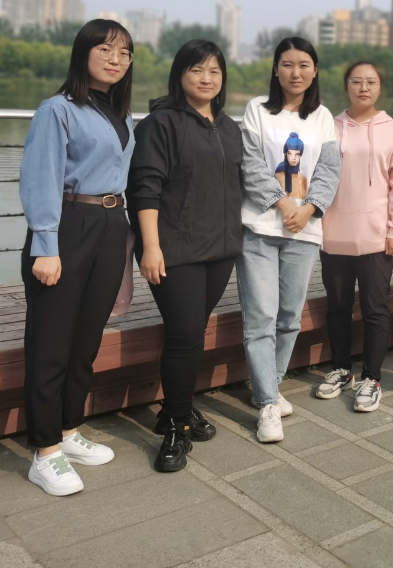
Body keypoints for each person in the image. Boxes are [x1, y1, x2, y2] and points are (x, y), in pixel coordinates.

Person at [19, 19, 136, 496]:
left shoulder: (120, 114)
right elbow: (40, 177)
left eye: (124, 53)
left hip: (111, 224)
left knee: (86, 339)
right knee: (51, 343)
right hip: (68, 224)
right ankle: (45, 451)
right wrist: (46, 244)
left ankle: (69, 430)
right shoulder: (58, 109)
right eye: (105, 49)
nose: (115, 59)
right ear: (83, 53)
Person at [128, 39, 243, 471]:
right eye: (197, 70)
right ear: (180, 75)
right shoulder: (161, 124)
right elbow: (145, 187)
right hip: (175, 249)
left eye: (214, 71)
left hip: (220, 249)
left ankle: (173, 410)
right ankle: (177, 427)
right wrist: (151, 246)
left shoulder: (228, 127)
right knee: (184, 335)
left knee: (192, 332)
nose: (206, 78)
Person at [238, 37, 340, 442]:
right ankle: (267, 404)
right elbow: (250, 164)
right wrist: (283, 204)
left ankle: (270, 385)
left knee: (289, 318)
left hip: (305, 231)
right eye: (287, 64)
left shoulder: (323, 117)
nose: (295, 72)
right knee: (260, 316)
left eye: (303, 65)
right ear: (275, 69)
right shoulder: (257, 110)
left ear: (314, 71)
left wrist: (309, 208)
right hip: (260, 229)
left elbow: (330, 169)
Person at [318, 61, 393, 413]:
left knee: (375, 309)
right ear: (346, 86)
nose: (363, 88)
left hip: (376, 236)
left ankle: (372, 378)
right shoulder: (330, 126)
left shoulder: (392, 129)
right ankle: (342, 369)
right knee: (338, 307)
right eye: (356, 81)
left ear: (379, 88)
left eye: (371, 82)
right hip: (334, 234)